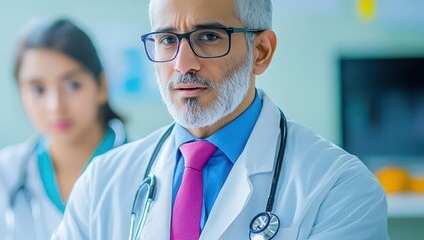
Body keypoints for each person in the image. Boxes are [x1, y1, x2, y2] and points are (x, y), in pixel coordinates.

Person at [52, 0, 389, 239]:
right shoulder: (102, 183)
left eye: (209, 37)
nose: (183, 64)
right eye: (168, 40)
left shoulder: (340, 188)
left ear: (261, 52)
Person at [0, 18, 129, 240]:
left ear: (102, 86)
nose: (55, 106)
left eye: (72, 85)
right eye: (38, 89)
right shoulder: (2, 174)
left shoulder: (148, 168)